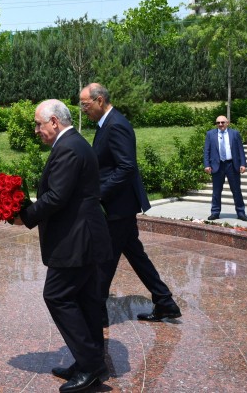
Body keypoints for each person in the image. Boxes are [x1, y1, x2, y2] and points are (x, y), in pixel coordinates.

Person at [16, 100, 112, 393]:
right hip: (83, 237)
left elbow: (57, 197)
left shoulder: (69, 147)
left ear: (54, 121)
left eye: (38, 124)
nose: (36, 130)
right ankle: (89, 362)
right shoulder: (74, 143)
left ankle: (91, 364)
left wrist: (25, 216)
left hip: (77, 240)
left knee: (57, 295)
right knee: (85, 301)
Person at [80, 83, 181, 325]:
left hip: (118, 208)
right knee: (135, 255)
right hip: (119, 207)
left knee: (104, 259)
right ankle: (165, 302)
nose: (83, 109)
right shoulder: (106, 123)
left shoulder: (116, 125)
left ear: (100, 100)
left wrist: (98, 194)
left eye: (86, 104)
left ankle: (97, 313)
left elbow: (127, 167)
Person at [203, 116, 247, 221]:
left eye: (222, 122)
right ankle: (215, 212)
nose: (220, 124)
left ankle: (241, 212)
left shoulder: (234, 133)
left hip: (232, 165)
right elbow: (207, 151)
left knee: (236, 190)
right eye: (218, 123)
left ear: (227, 123)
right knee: (216, 191)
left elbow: (240, 150)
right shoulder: (210, 134)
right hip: (217, 166)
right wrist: (206, 165)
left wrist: (243, 164)